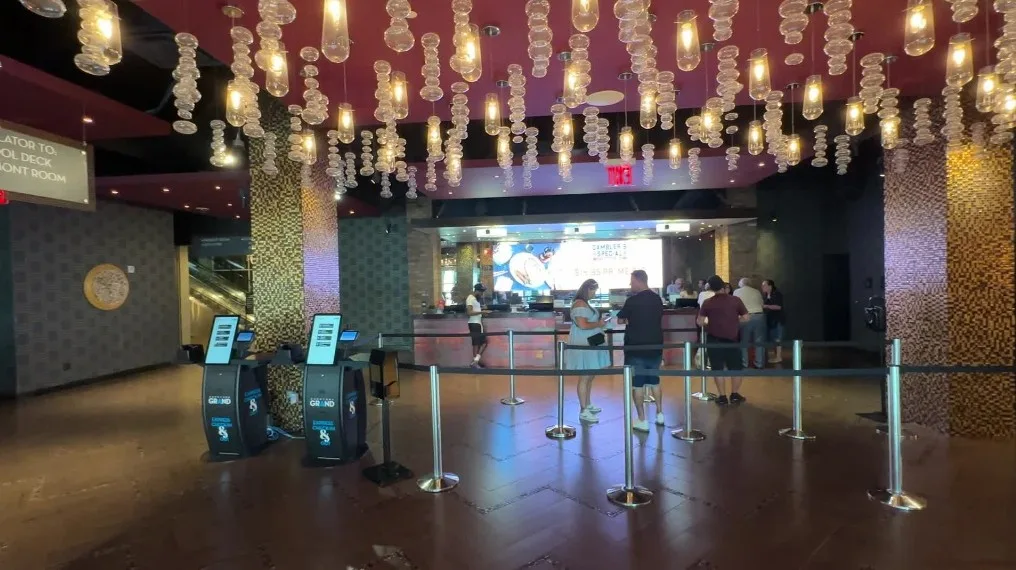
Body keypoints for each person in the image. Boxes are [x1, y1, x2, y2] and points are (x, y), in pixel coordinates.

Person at [617, 270, 665, 431]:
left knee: (637, 384)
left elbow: (620, 319)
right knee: (654, 380)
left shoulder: (632, 301)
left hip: (635, 347)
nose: (630, 284)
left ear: (638, 280)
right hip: (656, 345)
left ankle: (642, 419)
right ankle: (660, 413)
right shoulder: (657, 299)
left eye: (632, 281)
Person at [698, 275, 750, 405]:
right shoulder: (735, 300)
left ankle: (722, 396)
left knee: (717, 368)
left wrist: (708, 324)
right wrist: (734, 321)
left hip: (713, 340)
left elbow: (700, 322)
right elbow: (746, 318)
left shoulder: (707, 303)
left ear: (710, 288)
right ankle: (734, 394)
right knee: (736, 368)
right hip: (732, 339)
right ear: (723, 286)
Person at [566, 279, 611, 423]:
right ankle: (583, 409)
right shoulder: (580, 304)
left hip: (590, 342)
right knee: (585, 376)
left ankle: (588, 404)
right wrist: (599, 323)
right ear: (588, 290)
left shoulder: (584, 303)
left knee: (590, 374)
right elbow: (583, 325)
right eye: (594, 291)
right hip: (585, 343)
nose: (595, 294)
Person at [733, 277, 766, 369]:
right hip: (759, 316)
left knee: (744, 341)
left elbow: (735, 306)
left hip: (745, 317)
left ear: (740, 284)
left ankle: (744, 363)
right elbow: (761, 304)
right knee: (759, 341)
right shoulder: (757, 291)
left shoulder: (737, 292)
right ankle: (759, 363)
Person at [465, 283, 490, 368]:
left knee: (483, 343)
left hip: (478, 323)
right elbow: (469, 312)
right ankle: (475, 362)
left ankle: (475, 361)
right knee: (476, 344)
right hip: (474, 323)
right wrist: (482, 312)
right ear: (476, 291)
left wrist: (482, 310)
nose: (482, 294)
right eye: (481, 292)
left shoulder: (475, 299)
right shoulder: (470, 298)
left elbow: (475, 310)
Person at [761, 279, 785, 363]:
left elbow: (778, 307)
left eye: (764, 285)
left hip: (777, 320)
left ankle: (778, 357)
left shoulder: (777, 294)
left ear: (770, 286)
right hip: (770, 320)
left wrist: (766, 306)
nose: (762, 287)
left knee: (778, 339)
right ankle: (775, 356)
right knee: (773, 339)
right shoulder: (765, 295)